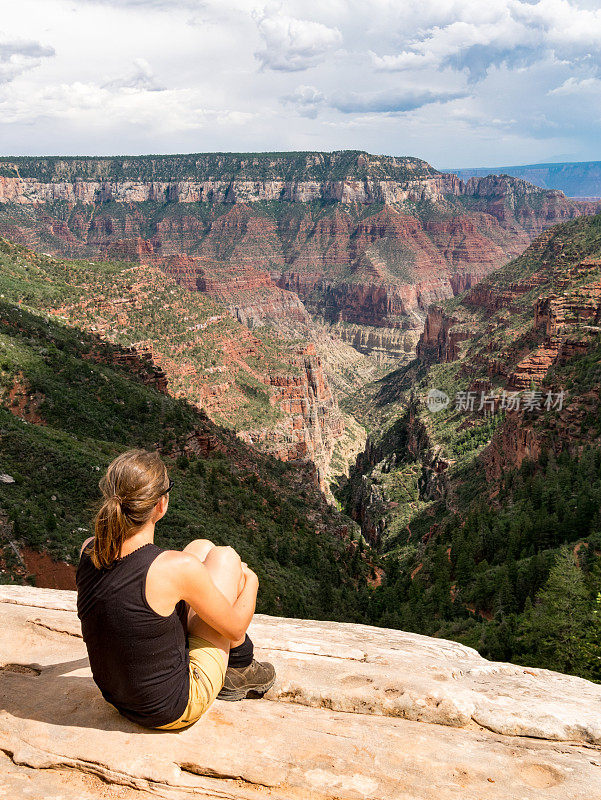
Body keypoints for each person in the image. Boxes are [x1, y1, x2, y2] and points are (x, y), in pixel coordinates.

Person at [76, 448, 276, 730]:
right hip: (172, 708)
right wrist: (251, 582)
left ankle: (237, 663)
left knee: (201, 548)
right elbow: (234, 629)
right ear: (161, 504)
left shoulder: (89, 549)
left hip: (118, 698)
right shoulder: (173, 569)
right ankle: (241, 666)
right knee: (227, 557)